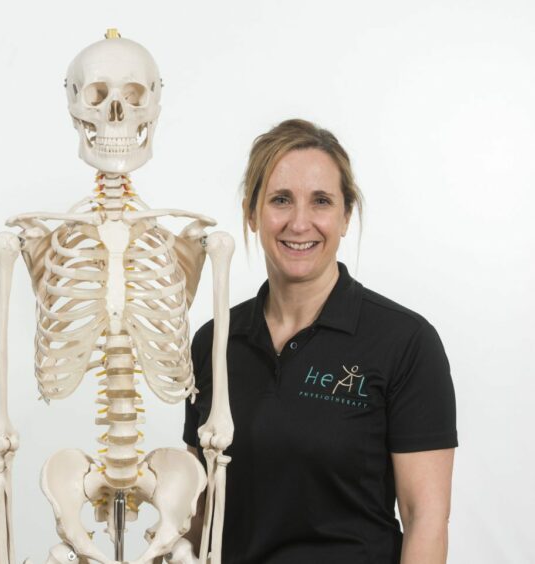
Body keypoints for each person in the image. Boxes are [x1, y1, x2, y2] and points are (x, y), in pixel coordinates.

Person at [184, 119, 457, 563]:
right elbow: (199, 512)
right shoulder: (214, 342)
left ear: (345, 216)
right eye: (280, 200)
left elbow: (424, 517)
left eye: (322, 201)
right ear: (252, 213)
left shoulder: (405, 342)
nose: (299, 222)